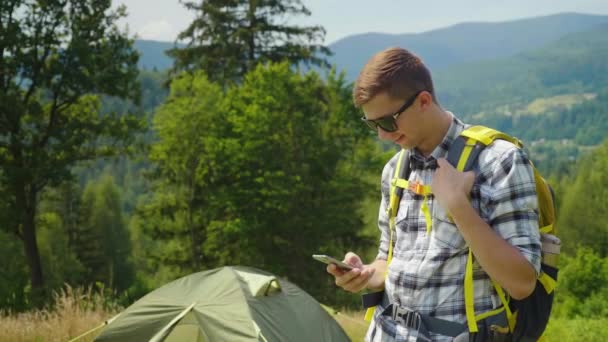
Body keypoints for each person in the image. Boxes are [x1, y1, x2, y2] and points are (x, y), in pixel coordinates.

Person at [326, 47, 542, 341]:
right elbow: (388, 261)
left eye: (388, 122)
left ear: (424, 101)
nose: (382, 135)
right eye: (372, 124)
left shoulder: (499, 161)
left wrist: (458, 206)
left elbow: (522, 282)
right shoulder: (395, 170)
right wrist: (365, 274)